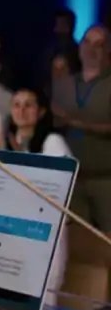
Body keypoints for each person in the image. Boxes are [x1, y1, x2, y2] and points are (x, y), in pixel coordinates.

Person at [7, 87, 73, 301]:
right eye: (16, 105)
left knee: (43, 299)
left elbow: (59, 187)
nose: (21, 111)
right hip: (14, 232)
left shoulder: (53, 142)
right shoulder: (6, 141)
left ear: (41, 111)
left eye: (29, 105)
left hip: (45, 233)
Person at [53, 25, 111, 229]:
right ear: (79, 47)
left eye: (99, 45)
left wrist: (76, 123)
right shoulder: (65, 84)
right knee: (77, 239)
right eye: (87, 42)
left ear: (108, 51)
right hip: (72, 179)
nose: (91, 49)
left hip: (105, 178)